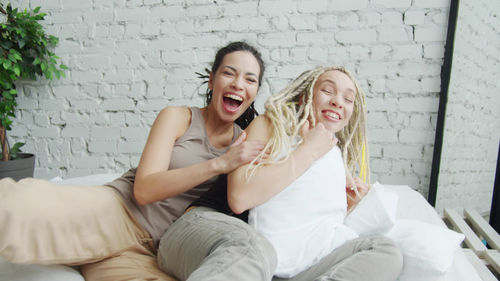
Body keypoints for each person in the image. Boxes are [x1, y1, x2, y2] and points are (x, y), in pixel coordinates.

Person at [0, 41, 266, 281]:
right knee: (18, 206)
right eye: (229, 73)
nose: (238, 84)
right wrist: (219, 164)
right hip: (118, 211)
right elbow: (144, 190)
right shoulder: (178, 117)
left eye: (250, 79)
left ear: (255, 92)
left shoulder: (245, 144)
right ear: (211, 80)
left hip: (153, 251)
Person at [157, 66, 403, 281]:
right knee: (254, 247)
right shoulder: (272, 124)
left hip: (274, 264)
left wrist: (354, 203)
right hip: (211, 225)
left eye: (348, 99)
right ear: (305, 96)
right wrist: (308, 150)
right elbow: (240, 198)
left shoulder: (334, 156)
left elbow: (304, 216)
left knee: (386, 250)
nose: (338, 101)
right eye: (328, 91)